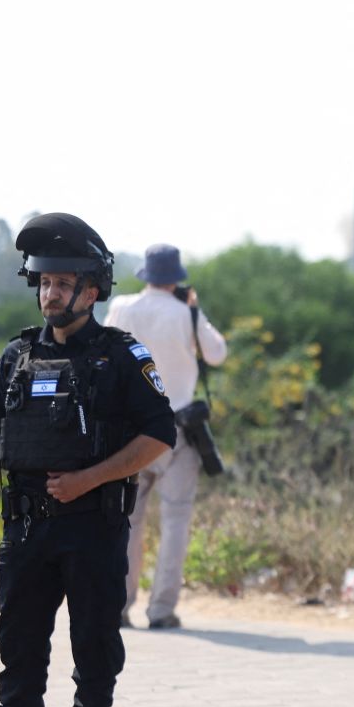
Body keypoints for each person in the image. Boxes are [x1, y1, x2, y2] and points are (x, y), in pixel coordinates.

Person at [0, 213, 176, 707]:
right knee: (19, 648)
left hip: (92, 527)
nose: (50, 293)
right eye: (44, 282)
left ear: (92, 291)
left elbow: (160, 434)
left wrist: (89, 478)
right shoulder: (17, 356)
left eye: (63, 283)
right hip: (25, 529)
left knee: (94, 651)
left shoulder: (121, 356)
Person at [103, 244, 226, 631]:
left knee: (127, 521)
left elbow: (102, 355)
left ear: (146, 274)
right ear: (176, 278)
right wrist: (195, 310)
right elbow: (217, 354)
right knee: (175, 520)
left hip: (130, 430)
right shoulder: (185, 312)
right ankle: (161, 610)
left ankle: (119, 606)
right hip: (178, 429)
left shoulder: (122, 307)